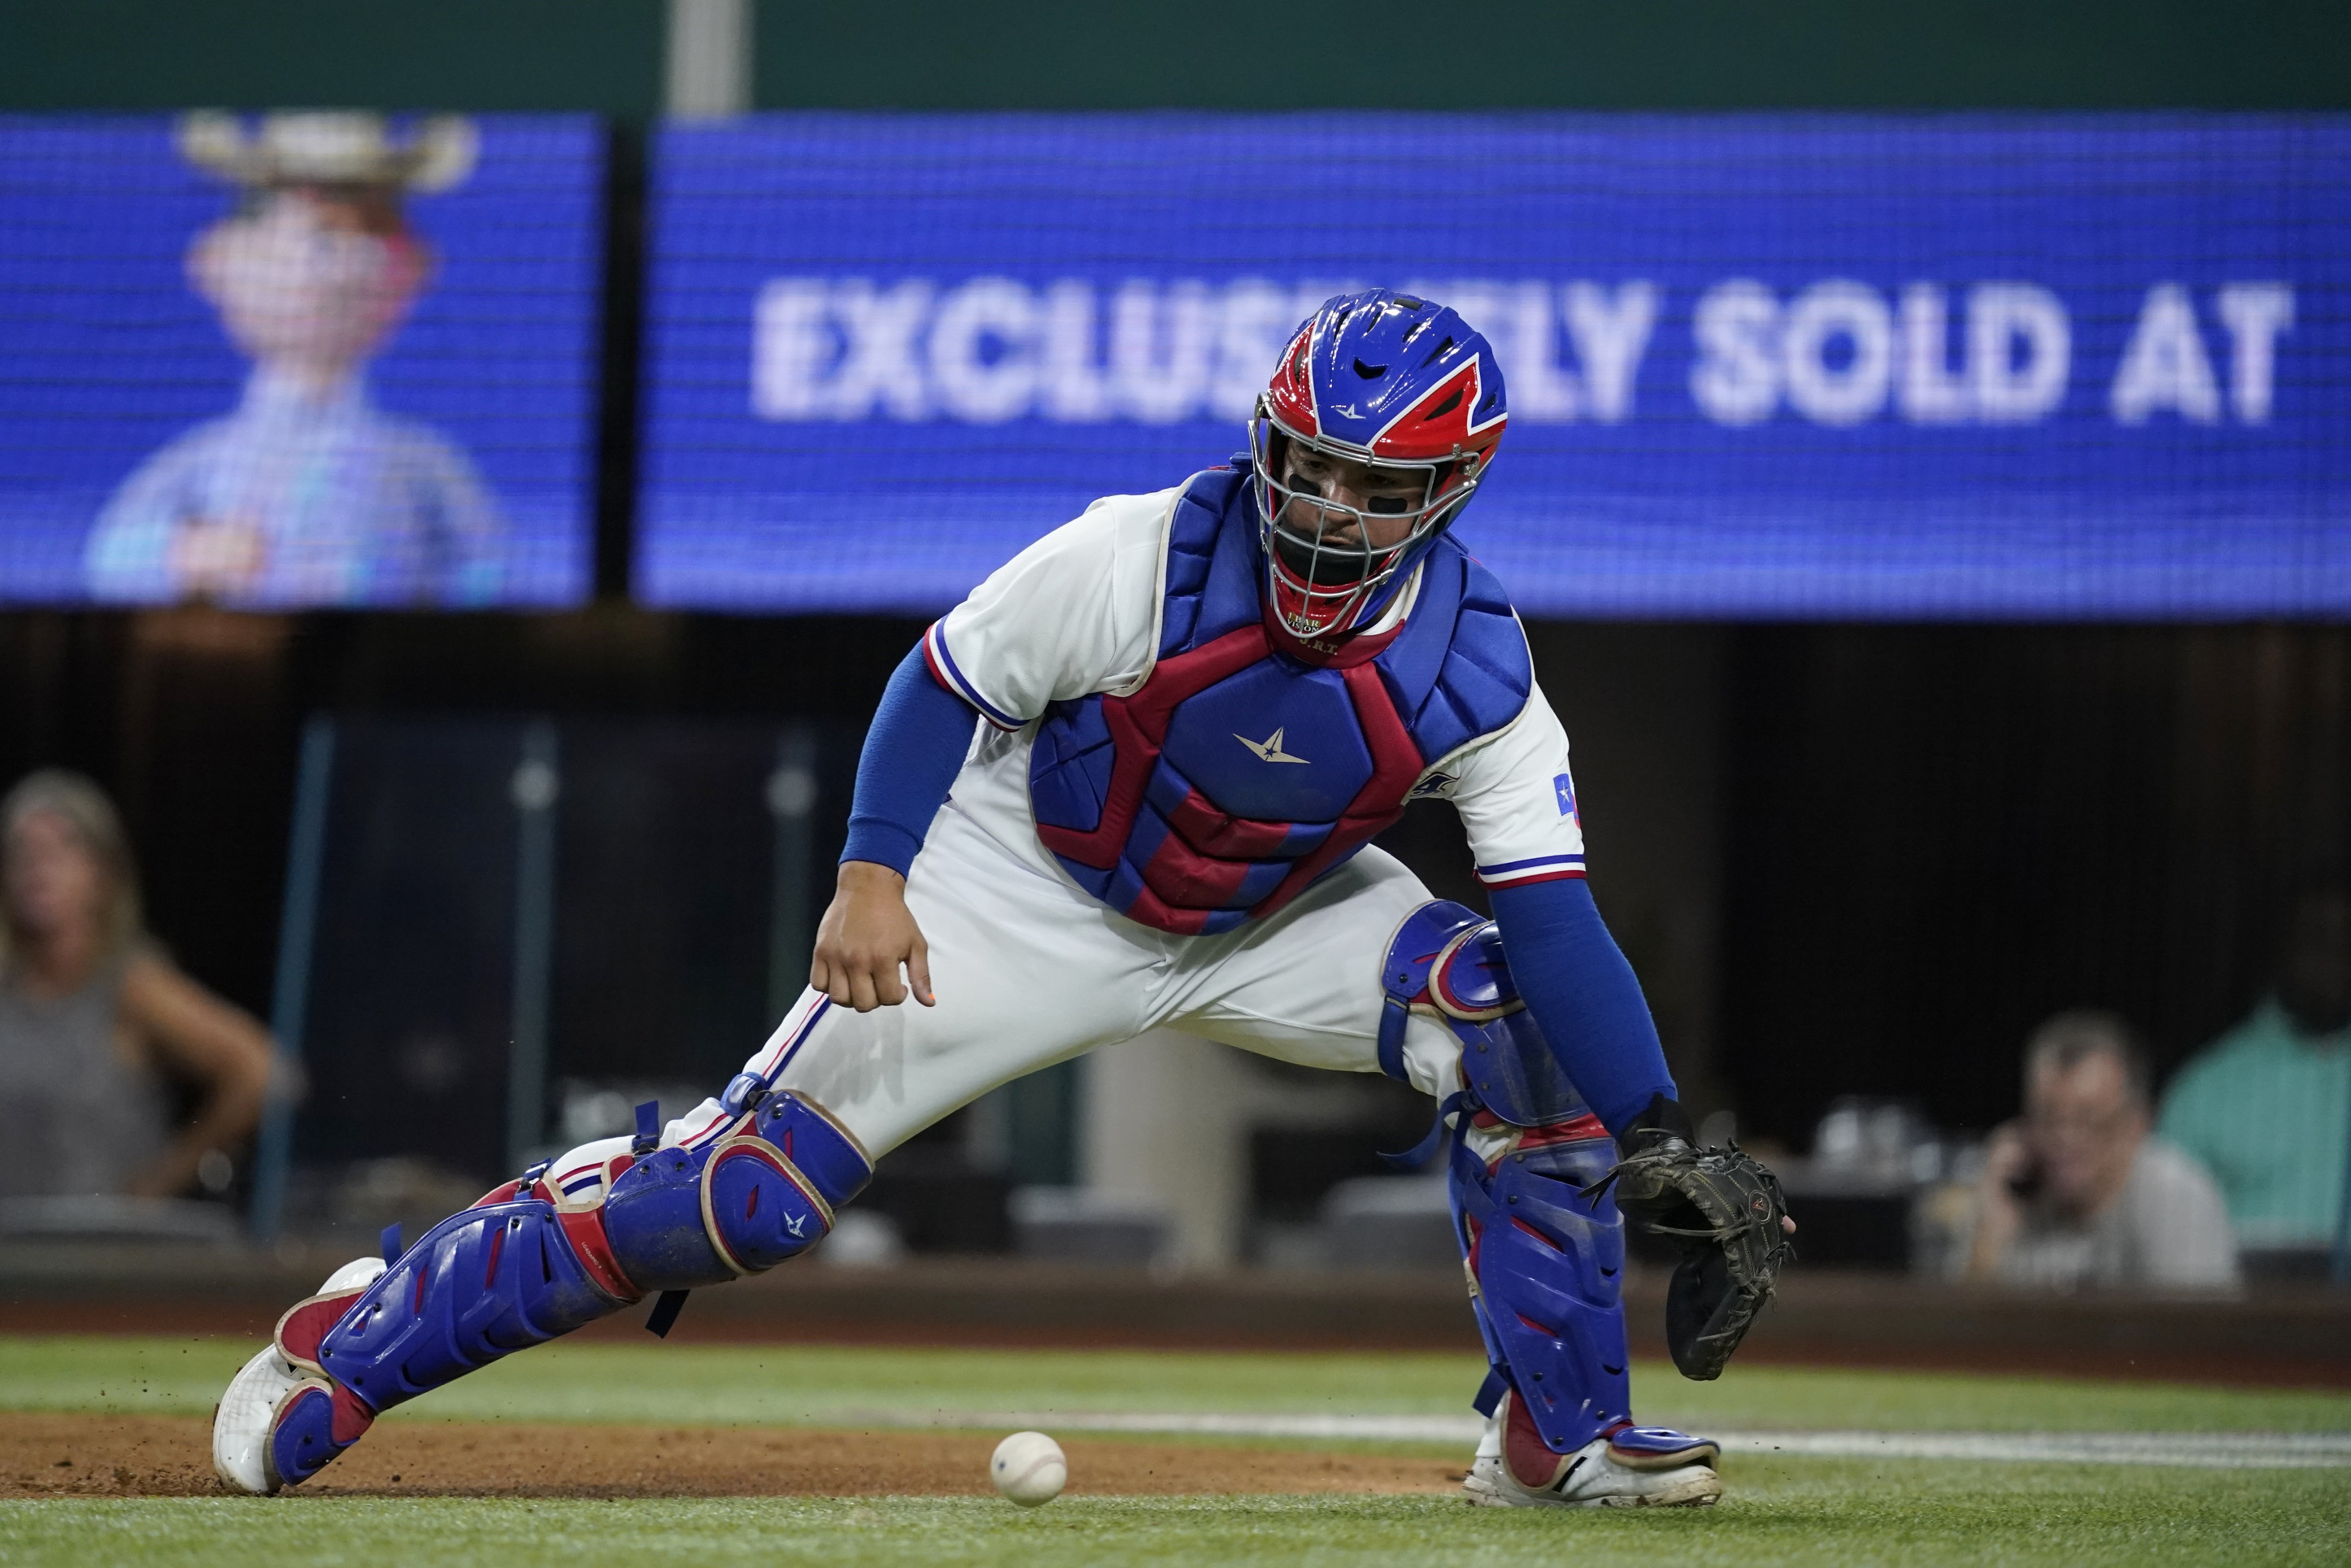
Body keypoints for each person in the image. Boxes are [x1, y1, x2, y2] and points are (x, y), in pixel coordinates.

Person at [214, 290, 1790, 1507]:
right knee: (734, 1203)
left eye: (1365, 482)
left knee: (1517, 1031)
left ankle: (1554, 1437)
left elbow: (1554, 917)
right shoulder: (1136, 552)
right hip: (1019, 879)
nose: (1317, 505)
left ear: (1451, 486)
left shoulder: (1483, 676)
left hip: (1267, 920)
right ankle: (349, 1339)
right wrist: (872, 870)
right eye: (1302, 463)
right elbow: (938, 680)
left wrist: (1654, 1130)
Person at [84, 112, 502, 608]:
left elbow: (480, 562)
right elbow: (111, 555)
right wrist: (178, 555)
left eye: (368, 241)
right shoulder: (209, 459)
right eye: (319, 240)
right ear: (222, 260)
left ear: (411, 268)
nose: (344, 269)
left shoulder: (418, 463)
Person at [0, 770, 276, 1203]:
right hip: (14, 1248)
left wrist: (161, 1181)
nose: (40, 865)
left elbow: (262, 1072)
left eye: (62, 846)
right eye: (24, 850)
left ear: (102, 872)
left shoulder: (132, 988)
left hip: (103, 1250)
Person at [1964, 1010, 2237, 1292]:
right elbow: (1966, 1329)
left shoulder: (2174, 1195)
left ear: (2138, 1123)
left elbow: (2195, 1331)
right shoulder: (2018, 1196)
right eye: (2047, 1118)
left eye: (2088, 1120)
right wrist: (1990, 1235)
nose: (2065, 1138)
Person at [2158, 886, 2351, 1256]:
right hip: (2246, 1303)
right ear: (2282, 948)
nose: (2333, 958)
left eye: (2346, 942)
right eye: (2317, 940)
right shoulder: (2205, 1087)